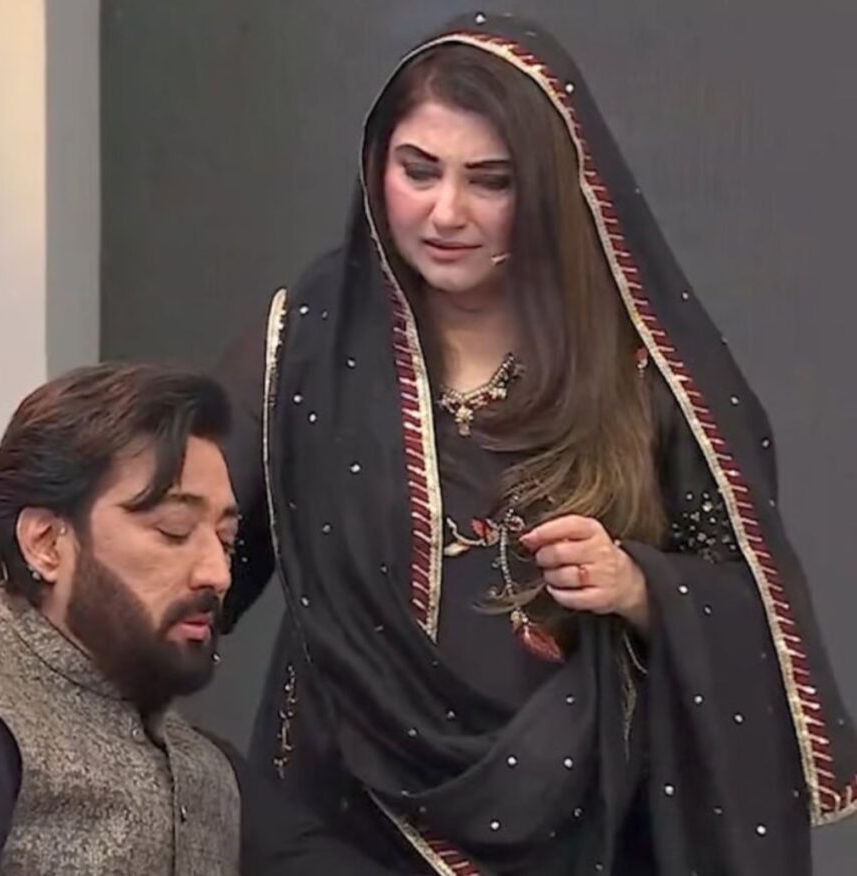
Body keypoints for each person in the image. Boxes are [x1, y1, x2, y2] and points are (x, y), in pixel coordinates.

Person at [217, 11, 857, 875]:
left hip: (572, 826)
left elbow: (753, 614)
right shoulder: (305, 341)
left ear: (549, 186)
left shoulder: (634, 366)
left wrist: (638, 585)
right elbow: (194, 549)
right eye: (418, 170)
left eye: (490, 181)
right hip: (338, 821)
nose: (446, 211)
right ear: (376, 167)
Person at [0, 362, 407, 876]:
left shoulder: (199, 766)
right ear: (46, 543)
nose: (217, 573)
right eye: (174, 531)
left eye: (227, 540)